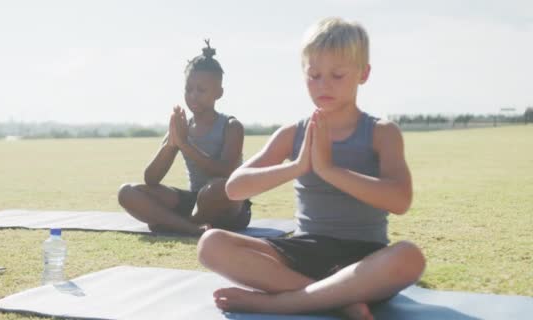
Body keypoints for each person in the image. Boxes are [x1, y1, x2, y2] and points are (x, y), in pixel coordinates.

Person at [197, 18, 425, 320]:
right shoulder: (294, 133)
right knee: (210, 244)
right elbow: (234, 187)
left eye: (337, 75)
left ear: (363, 73)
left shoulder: (382, 133)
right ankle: (336, 299)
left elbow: (400, 200)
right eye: (314, 75)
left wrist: (329, 171)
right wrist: (297, 166)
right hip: (302, 252)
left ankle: (277, 303)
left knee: (410, 257)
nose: (323, 85)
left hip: (365, 259)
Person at [118, 40, 251, 235]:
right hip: (194, 201)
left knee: (217, 188)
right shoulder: (182, 126)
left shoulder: (232, 126)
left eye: (201, 90)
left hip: (228, 204)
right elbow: (151, 178)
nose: (193, 96)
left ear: (219, 93)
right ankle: (190, 227)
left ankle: (173, 223)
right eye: (189, 90)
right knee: (127, 192)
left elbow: (226, 172)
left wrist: (185, 145)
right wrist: (172, 143)